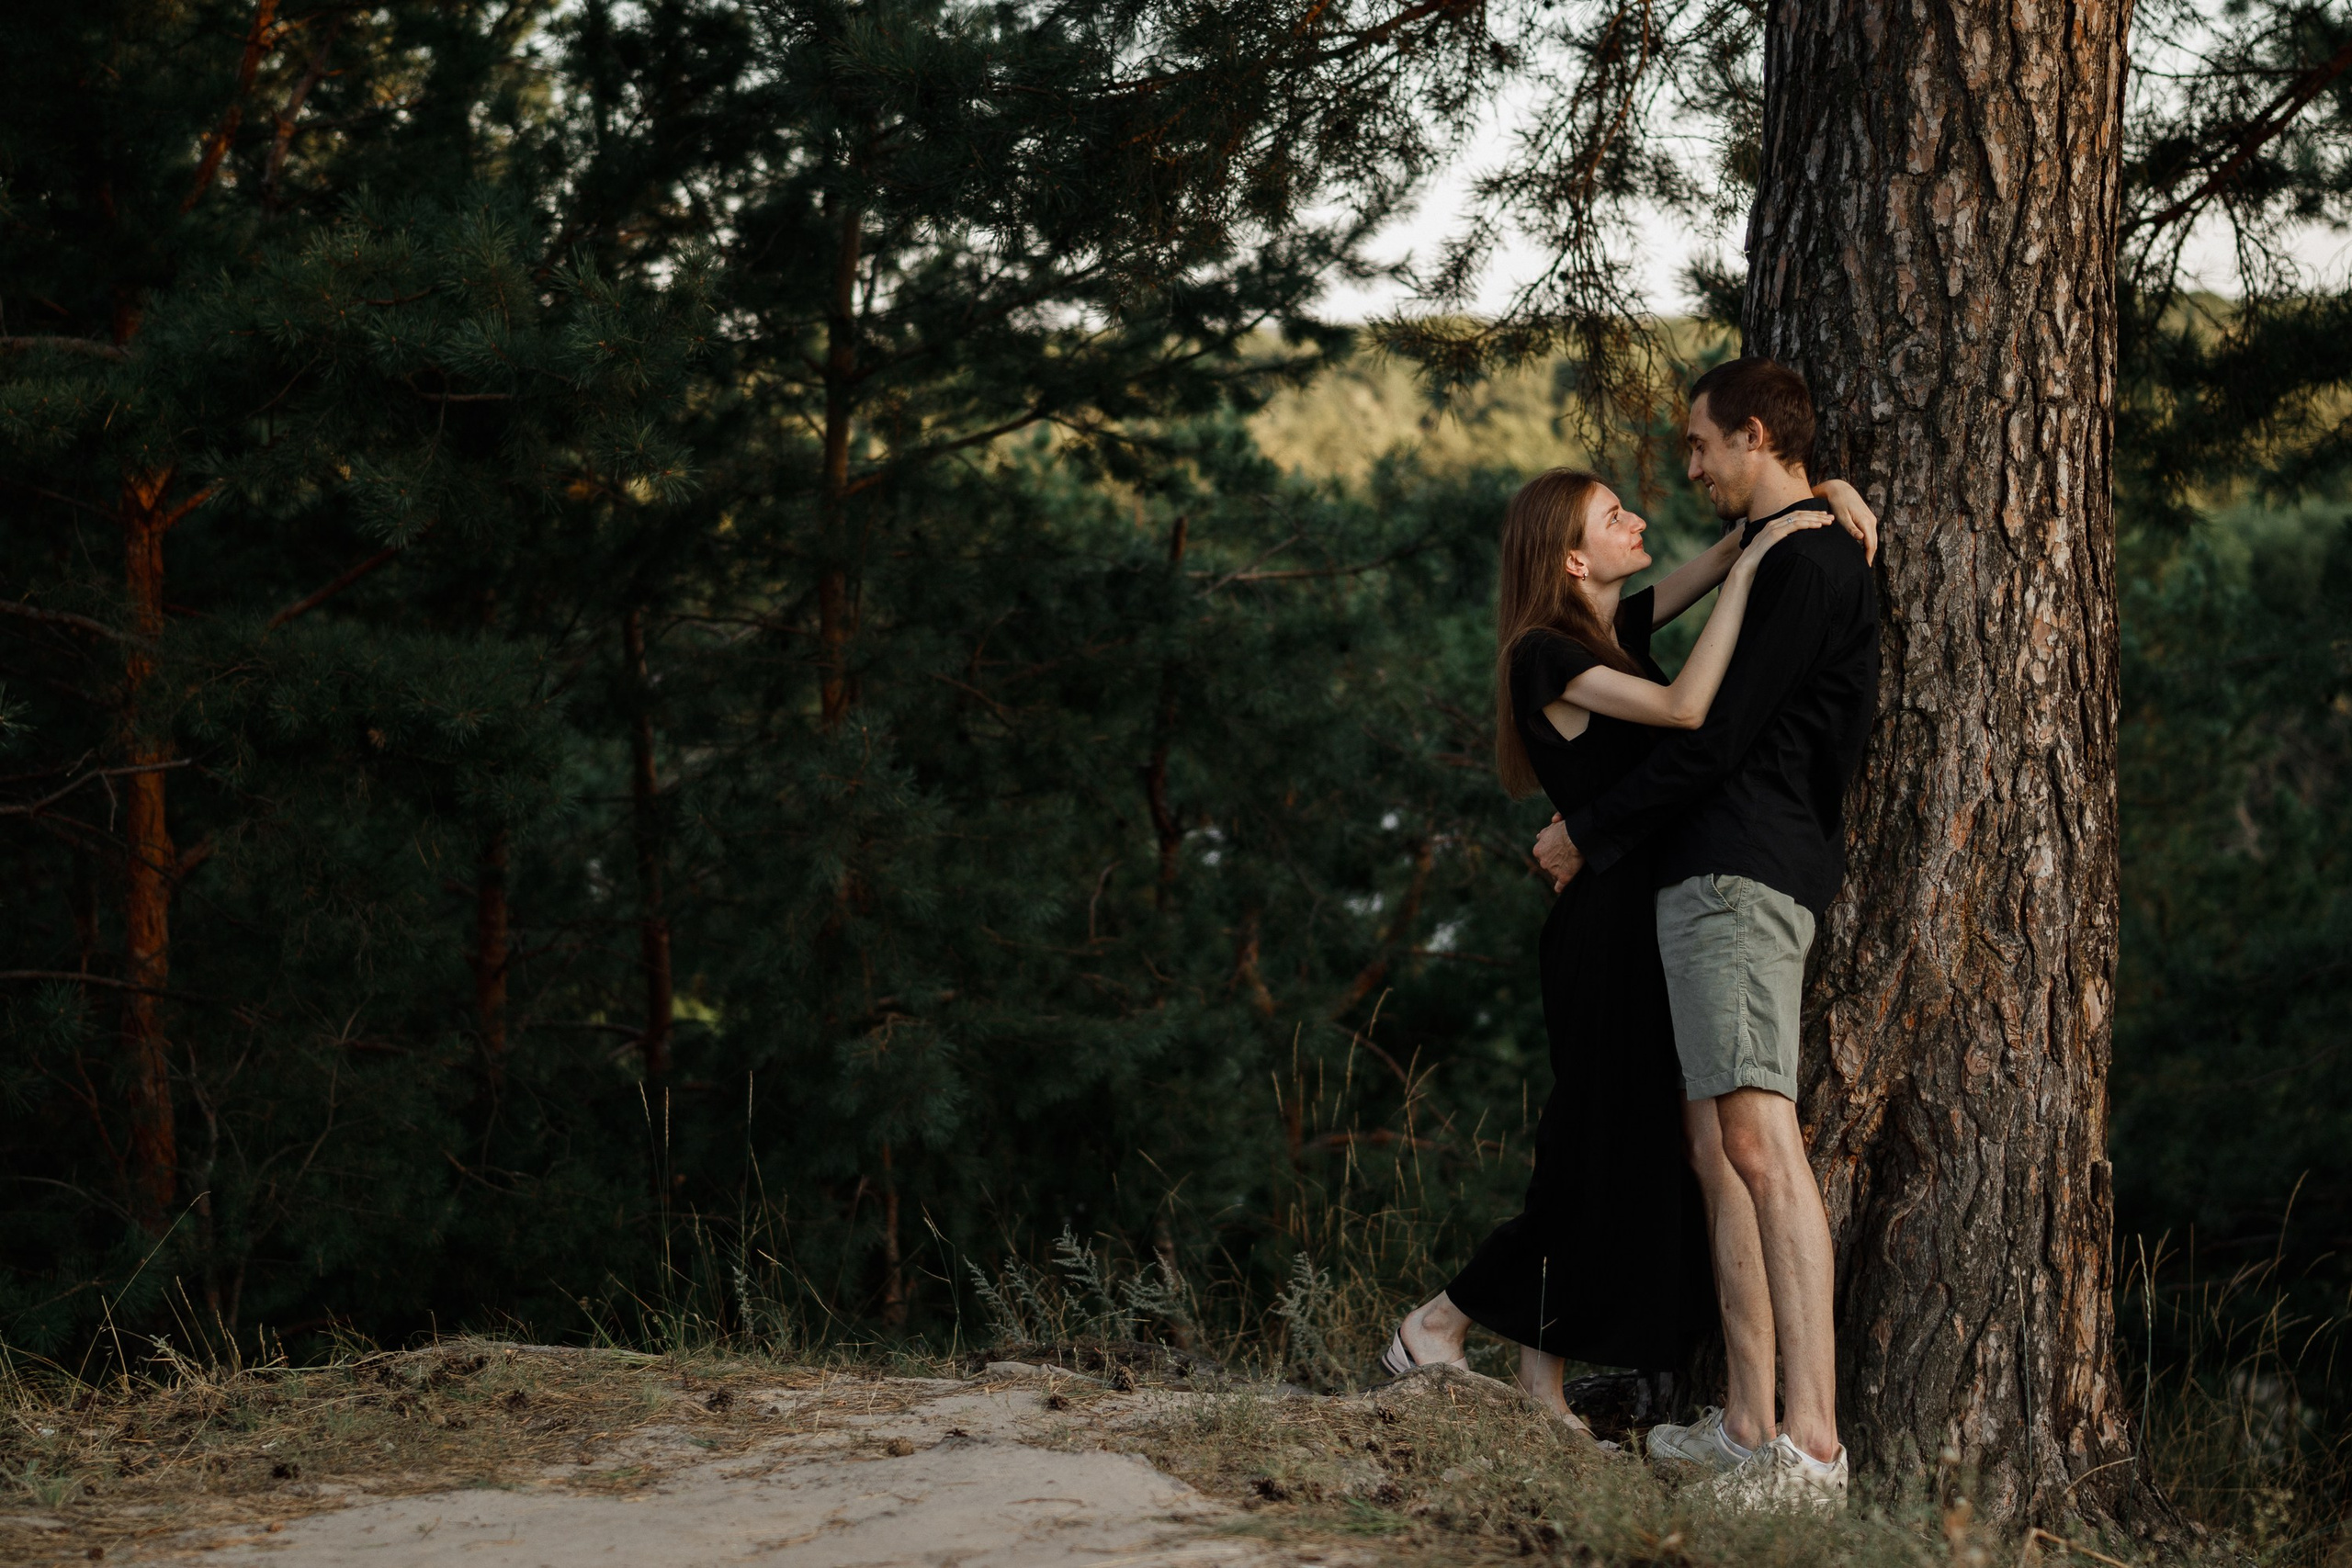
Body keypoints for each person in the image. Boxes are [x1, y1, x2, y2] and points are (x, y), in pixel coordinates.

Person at [1383, 459, 1878, 1444]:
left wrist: (1824, 500)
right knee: (1589, 1149)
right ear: (1572, 558)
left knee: (1604, 1147)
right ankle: (1439, 1322)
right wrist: (1751, 579)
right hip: (1604, 925)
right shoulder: (1546, 657)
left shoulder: (1612, 632)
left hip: (1638, 911)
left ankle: (1537, 1391)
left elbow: (1743, 540)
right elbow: (1691, 709)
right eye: (1616, 516)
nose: (1639, 517)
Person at [1532, 357, 1880, 1511]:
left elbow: (1710, 737)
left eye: (1699, 445)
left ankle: (1813, 1450)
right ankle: (1744, 1424)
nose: (1687, 467)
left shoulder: (1810, 561)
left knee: (1760, 1147)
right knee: (1712, 1152)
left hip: (1742, 871)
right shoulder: (1783, 548)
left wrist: (1585, 831)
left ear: (1758, 435)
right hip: (1701, 878)